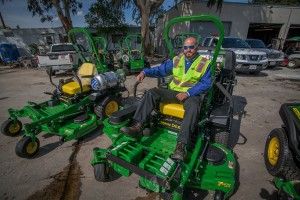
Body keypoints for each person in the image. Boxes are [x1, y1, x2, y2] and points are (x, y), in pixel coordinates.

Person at [121, 37, 212, 160]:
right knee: (152, 92)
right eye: (185, 47)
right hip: (173, 92)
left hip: (190, 95)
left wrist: (189, 93)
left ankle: (181, 146)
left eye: (191, 47)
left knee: (194, 106)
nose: (188, 50)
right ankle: (138, 126)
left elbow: (206, 83)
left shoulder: (204, 63)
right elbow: (160, 70)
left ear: (197, 47)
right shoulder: (177, 60)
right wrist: (145, 72)